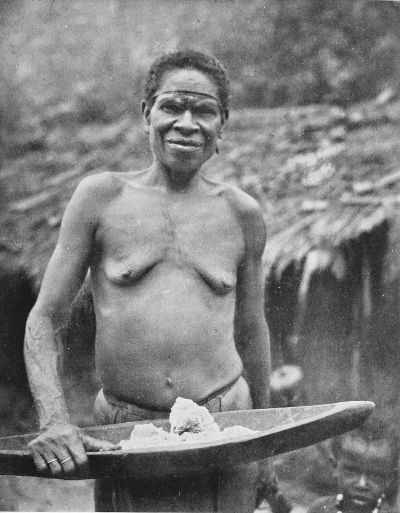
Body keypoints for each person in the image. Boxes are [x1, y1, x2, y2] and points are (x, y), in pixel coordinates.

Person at [24, 49, 271, 512]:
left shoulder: (242, 213)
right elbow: (43, 320)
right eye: (172, 106)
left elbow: (252, 330)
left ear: (223, 124)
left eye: (204, 110)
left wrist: (265, 445)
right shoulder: (101, 198)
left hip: (227, 427)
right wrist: (54, 421)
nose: (186, 122)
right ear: (147, 114)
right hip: (127, 433)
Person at [307, 416, 399, 513]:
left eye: (375, 476)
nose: (361, 485)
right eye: (351, 471)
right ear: (334, 467)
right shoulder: (320, 509)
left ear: (390, 478)